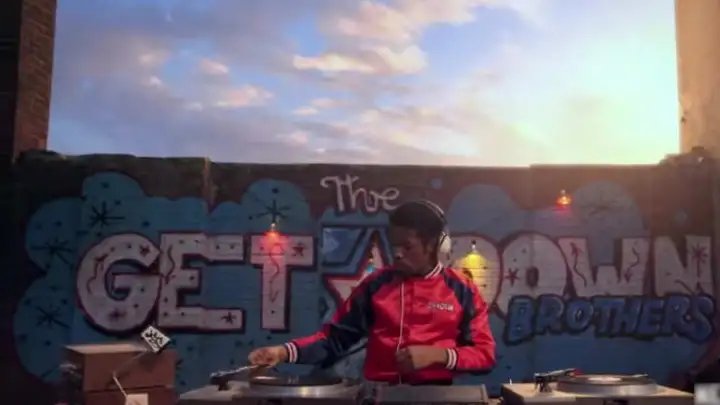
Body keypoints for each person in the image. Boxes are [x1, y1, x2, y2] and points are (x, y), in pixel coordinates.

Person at [248, 200, 496, 385]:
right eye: (394, 245)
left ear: (434, 246)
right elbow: (334, 339)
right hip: (379, 395)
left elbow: (484, 355)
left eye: (407, 246)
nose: (397, 253)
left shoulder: (463, 290)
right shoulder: (375, 285)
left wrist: (439, 355)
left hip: (437, 397)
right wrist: (283, 352)